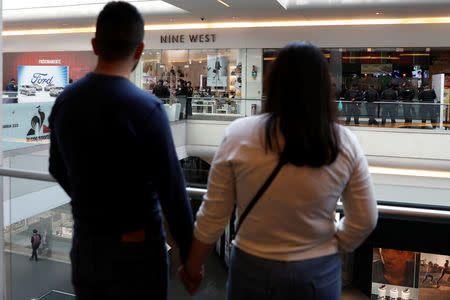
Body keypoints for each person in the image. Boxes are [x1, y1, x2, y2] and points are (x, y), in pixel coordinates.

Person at [179, 42, 378, 299]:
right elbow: (366, 218)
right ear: (323, 88)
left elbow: (214, 214)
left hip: (253, 266)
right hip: (318, 270)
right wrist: (336, 243)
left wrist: (192, 267)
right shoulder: (342, 141)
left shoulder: (239, 135)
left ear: (273, 83)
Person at [48, 2, 195, 299]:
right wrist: (191, 259)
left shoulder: (66, 102)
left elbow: (56, 167)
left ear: (94, 45)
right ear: (139, 51)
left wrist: (87, 201)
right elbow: (173, 193)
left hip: (87, 249)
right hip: (138, 254)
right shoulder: (148, 109)